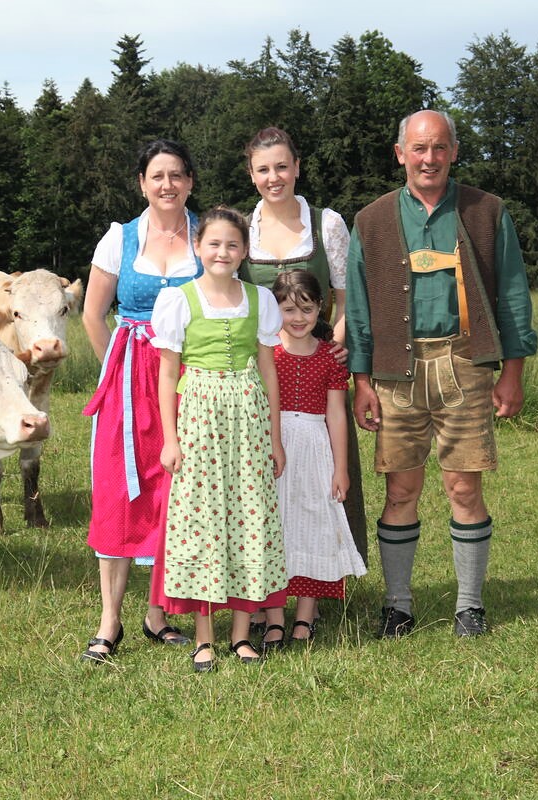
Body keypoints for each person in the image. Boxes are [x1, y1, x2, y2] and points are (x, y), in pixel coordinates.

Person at [345, 109, 538, 639]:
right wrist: (362, 380)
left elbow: (514, 294)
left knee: (463, 487)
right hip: (396, 371)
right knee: (400, 489)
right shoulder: (372, 220)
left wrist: (512, 370)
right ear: (400, 153)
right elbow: (358, 308)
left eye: (439, 148)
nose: (428, 159)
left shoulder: (487, 211)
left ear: (453, 152)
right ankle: (398, 605)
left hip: (466, 363)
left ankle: (469, 606)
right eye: (418, 149)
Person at [240, 126, 370, 650]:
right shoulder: (240, 228)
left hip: (316, 373)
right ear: (251, 173)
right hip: (255, 372)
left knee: (318, 492)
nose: (273, 177)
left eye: (282, 166)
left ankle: (315, 588)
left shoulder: (327, 223)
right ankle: (257, 597)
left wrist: (332, 344)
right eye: (262, 168)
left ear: (297, 167)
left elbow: (345, 294)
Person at [79, 139, 201, 663]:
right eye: (157, 176)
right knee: (118, 491)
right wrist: (119, 368)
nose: (167, 185)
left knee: (175, 492)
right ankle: (110, 621)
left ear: (190, 182)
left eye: (176, 175)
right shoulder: (119, 239)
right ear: (142, 184)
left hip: (191, 377)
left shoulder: (209, 235)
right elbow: (92, 314)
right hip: (130, 376)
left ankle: (159, 613)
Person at [151, 206, 287, 672]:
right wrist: (170, 439)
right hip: (199, 416)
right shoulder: (178, 299)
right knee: (203, 523)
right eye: (213, 243)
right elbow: (168, 373)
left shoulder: (260, 299)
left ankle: (241, 634)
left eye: (232, 245)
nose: (222, 252)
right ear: (197, 246)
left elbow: (268, 368)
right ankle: (204, 638)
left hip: (248, 415)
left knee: (250, 516)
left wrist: (275, 437)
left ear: (245, 250)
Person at [262, 270, 366, 651]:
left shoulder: (330, 358)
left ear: (321, 308)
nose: (298, 317)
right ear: (274, 310)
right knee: (274, 526)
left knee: (313, 524)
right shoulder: (267, 353)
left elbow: (336, 414)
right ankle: (274, 616)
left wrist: (341, 467)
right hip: (274, 448)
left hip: (315, 449)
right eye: (288, 309)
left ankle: (305, 616)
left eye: (306, 308)